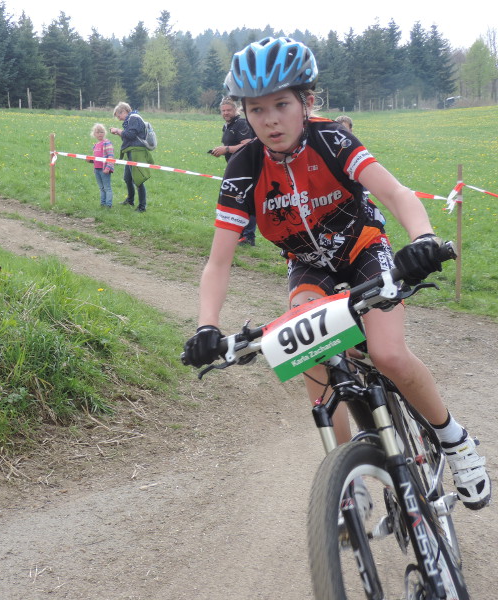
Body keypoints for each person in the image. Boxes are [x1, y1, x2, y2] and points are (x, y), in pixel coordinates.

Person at [182, 37, 490, 510]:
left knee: (387, 354)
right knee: (309, 350)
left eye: (282, 104)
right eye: (257, 109)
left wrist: (424, 238)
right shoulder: (243, 170)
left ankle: (455, 440)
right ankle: (346, 476)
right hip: (308, 266)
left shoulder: (331, 139)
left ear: (306, 102)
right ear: (243, 112)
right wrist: (206, 325)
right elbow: (218, 261)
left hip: (365, 248)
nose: (270, 120)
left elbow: (396, 193)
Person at [210, 97, 255, 244]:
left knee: (246, 200)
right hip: (235, 167)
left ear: (236, 110)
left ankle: (248, 236)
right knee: (236, 200)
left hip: (247, 167)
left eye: (228, 110)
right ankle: (240, 233)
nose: (226, 113)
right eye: (223, 111)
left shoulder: (242, 124)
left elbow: (247, 145)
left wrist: (227, 149)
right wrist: (220, 151)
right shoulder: (227, 126)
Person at [109, 102, 152, 213]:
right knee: (128, 178)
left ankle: (142, 207)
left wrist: (118, 130)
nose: (119, 119)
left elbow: (131, 135)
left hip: (137, 153)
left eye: (119, 116)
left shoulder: (134, 118)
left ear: (124, 111)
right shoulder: (130, 120)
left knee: (138, 180)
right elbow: (128, 138)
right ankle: (130, 200)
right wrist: (119, 133)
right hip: (131, 152)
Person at [90, 123, 114, 208]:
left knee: (107, 188)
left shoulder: (107, 143)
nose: (100, 134)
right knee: (101, 188)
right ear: (94, 134)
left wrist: (108, 168)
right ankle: (102, 204)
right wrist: (90, 160)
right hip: (97, 169)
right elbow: (96, 158)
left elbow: (111, 157)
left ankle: (108, 205)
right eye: (97, 132)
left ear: (105, 133)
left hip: (104, 169)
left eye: (102, 132)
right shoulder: (95, 145)